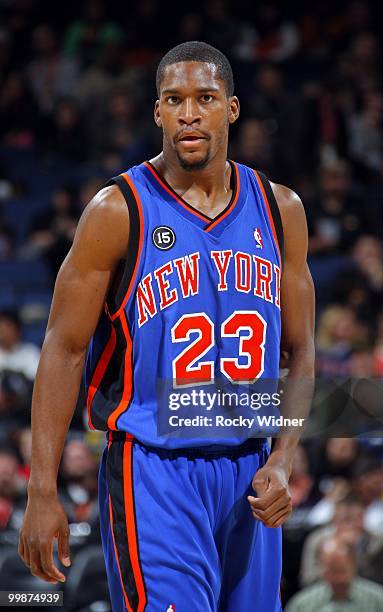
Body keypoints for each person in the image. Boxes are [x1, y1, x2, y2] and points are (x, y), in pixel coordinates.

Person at [18, 41, 315, 611]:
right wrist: (41, 487)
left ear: (231, 108)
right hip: (154, 471)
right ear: (157, 113)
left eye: (204, 98)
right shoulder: (117, 210)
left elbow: (300, 354)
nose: (189, 113)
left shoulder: (282, 210)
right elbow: (63, 350)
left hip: (250, 471)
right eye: (174, 100)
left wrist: (283, 456)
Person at [285, 537, 383, 612]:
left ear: (354, 565)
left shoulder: (381, 601)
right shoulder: (302, 605)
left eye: (341, 571)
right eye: (330, 572)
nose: (337, 579)